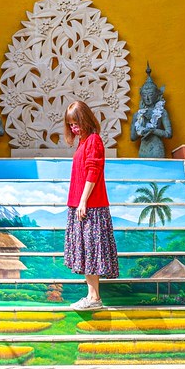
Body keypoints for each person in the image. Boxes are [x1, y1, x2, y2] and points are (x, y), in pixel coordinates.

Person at [63, 101, 119, 311]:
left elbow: (93, 171)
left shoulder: (93, 140)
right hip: (82, 206)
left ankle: (94, 298)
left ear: (86, 119)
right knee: (87, 253)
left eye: (76, 123)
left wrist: (83, 201)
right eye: (70, 125)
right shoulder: (83, 141)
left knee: (91, 252)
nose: (74, 128)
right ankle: (91, 297)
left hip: (90, 207)